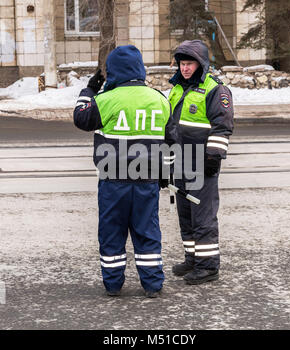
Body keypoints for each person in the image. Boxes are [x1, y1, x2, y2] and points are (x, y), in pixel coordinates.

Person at [73, 45, 177, 297]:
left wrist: (90, 90)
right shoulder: (159, 100)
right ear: (140, 69)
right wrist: (165, 174)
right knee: (147, 230)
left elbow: (80, 118)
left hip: (113, 179)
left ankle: (113, 284)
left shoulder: (105, 100)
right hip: (147, 178)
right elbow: (171, 142)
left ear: (113, 72)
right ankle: (152, 284)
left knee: (112, 230)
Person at [168, 40, 234, 285]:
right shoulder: (176, 88)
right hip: (181, 161)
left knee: (203, 216)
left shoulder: (215, 89)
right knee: (186, 214)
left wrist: (213, 158)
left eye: (189, 64)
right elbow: (171, 126)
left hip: (202, 163)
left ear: (201, 64)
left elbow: (223, 126)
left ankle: (208, 267)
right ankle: (192, 259)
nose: (185, 68)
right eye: (182, 64)